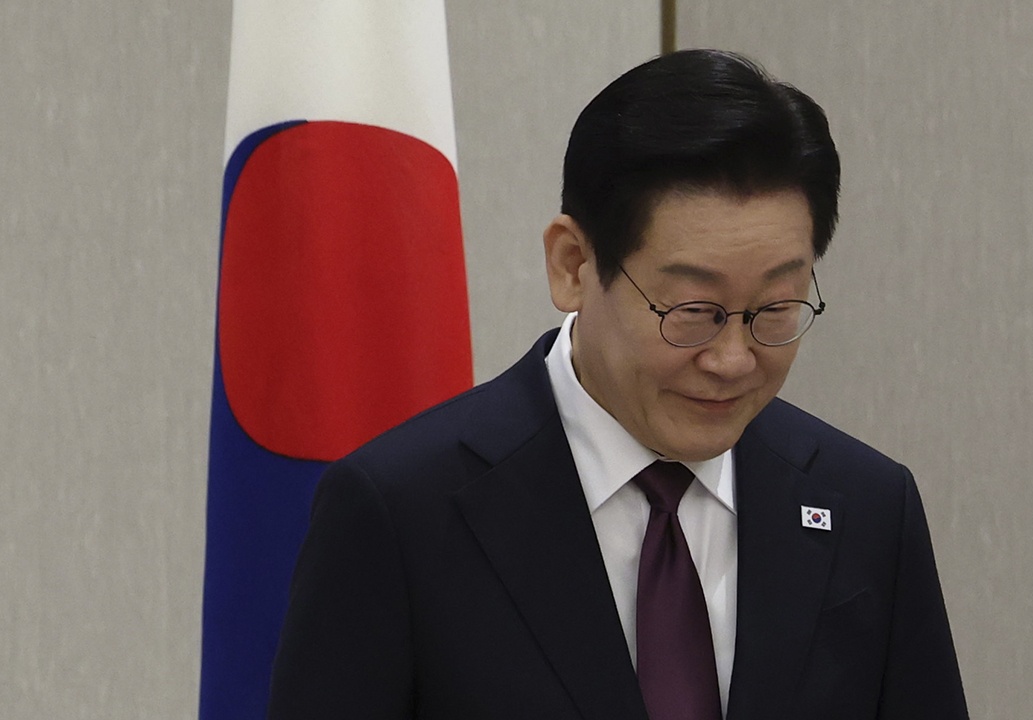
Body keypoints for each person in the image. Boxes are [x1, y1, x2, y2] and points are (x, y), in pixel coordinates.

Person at [267, 49, 967, 720]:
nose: (733, 360)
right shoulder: (400, 513)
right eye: (692, 310)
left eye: (776, 309)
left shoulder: (868, 509)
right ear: (573, 265)